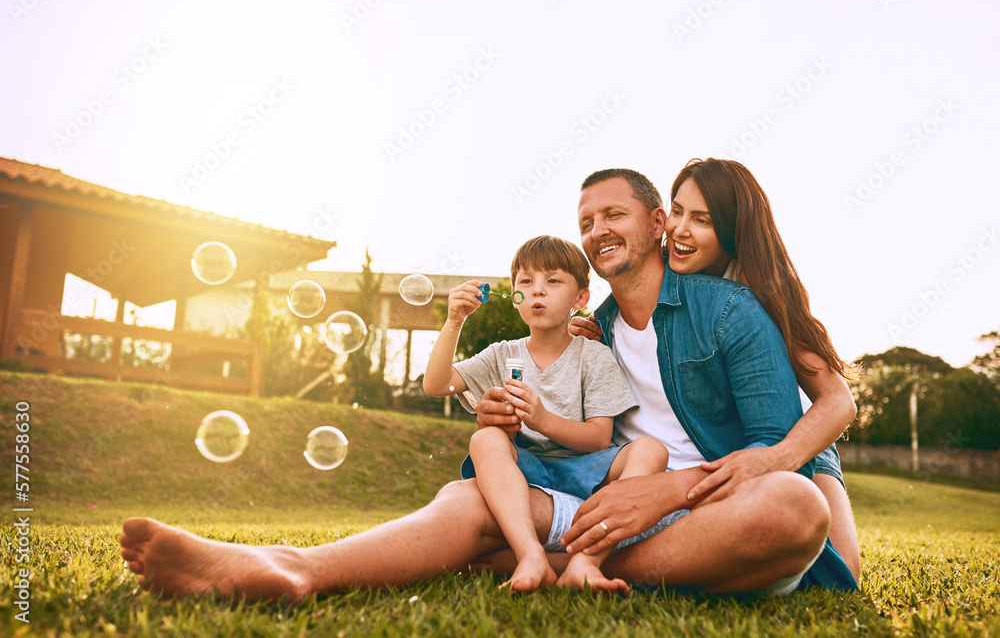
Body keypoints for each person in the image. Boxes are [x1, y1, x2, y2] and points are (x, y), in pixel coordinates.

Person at [119, 168, 843, 603]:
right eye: (586, 221)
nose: (596, 231)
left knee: (792, 505)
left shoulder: (729, 310)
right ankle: (292, 569)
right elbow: (576, 439)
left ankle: (536, 557)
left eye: (613, 215)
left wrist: (670, 491)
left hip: (708, 514)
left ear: (657, 224)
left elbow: (782, 448)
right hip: (601, 504)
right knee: (472, 493)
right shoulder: (589, 329)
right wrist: (515, 417)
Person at [477, 167, 858, 592]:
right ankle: (582, 566)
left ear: (733, 232)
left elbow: (838, 402)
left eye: (703, 220)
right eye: (678, 211)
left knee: (833, 564)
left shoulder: (759, 290)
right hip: (705, 459)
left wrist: (775, 457)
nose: (680, 229)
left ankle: (566, 565)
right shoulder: (616, 315)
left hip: (801, 434)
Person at [423, 235, 669, 593]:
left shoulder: (593, 355)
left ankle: (587, 562)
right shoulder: (501, 354)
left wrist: (542, 420)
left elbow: (599, 437)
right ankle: (530, 555)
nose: (538, 291)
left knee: (651, 450)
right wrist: (455, 321)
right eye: (526, 282)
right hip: (526, 469)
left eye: (553, 281)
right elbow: (437, 384)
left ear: (580, 299)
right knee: (485, 438)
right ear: (515, 295)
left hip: (588, 471)